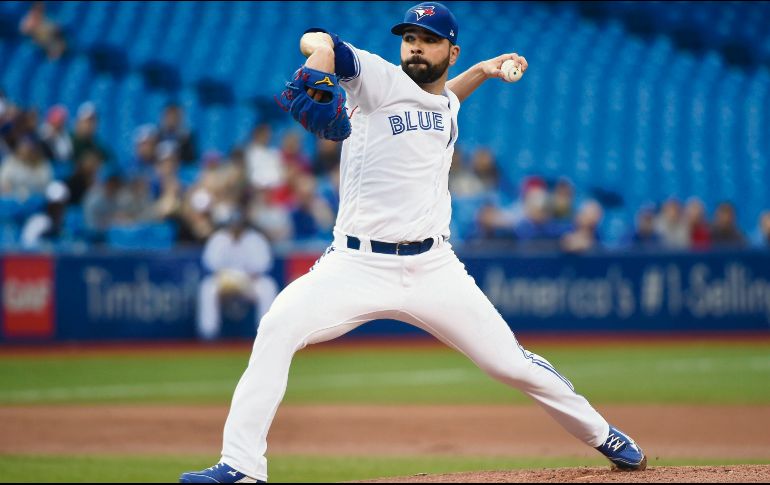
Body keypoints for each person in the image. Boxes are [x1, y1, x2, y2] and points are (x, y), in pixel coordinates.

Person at [180, 3, 646, 483]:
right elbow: (319, 41)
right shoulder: (378, 80)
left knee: (512, 365)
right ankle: (242, 466)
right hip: (356, 264)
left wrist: (483, 71)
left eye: (427, 39)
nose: (415, 46)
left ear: (451, 50)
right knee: (277, 327)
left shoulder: (446, 105)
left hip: (434, 267)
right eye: (409, 38)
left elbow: (447, 97)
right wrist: (316, 67)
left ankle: (603, 434)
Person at [196, 205, 278, 341]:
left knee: (267, 286)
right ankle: (208, 335)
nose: (234, 227)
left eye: (237, 224)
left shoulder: (255, 239)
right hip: (225, 280)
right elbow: (211, 265)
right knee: (207, 287)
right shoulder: (219, 239)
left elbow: (263, 266)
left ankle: (266, 333)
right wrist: (227, 278)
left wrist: (246, 278)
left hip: (250, 282)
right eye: (232, 224)